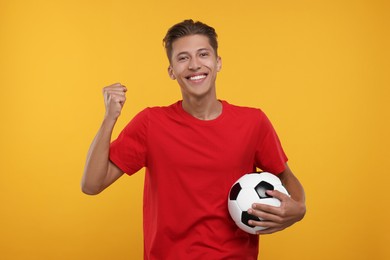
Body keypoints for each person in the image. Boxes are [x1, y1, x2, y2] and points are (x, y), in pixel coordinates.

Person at [82, 19, 306, 260]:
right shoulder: (150, 123)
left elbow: (285, 177)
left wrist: (299, 208)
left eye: (203, 54)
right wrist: (109, 119)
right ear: (171, 71)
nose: (195, 65)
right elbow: (92, 185)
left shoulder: (253, 122)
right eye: (183, 58)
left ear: (217, 62)